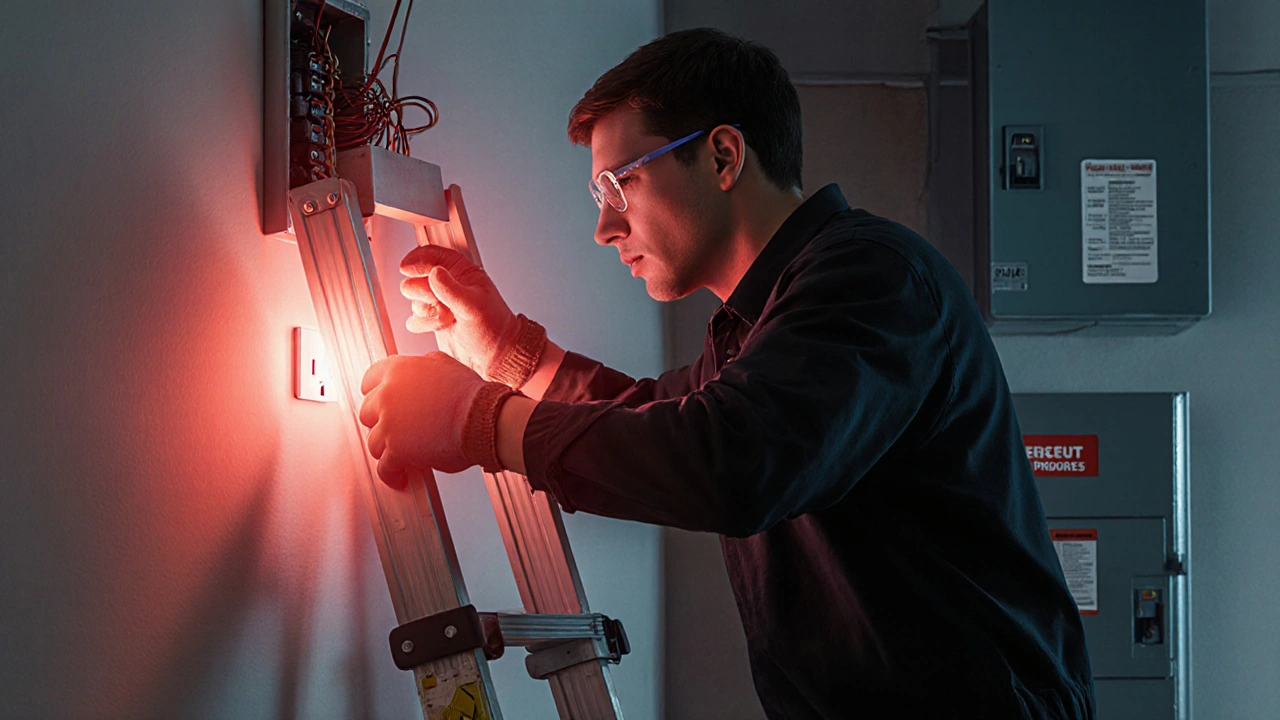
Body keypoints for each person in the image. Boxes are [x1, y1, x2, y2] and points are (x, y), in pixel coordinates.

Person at [358, 27, 1096, 719]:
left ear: (721, 157)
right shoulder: (762, 323)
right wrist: (511, 355)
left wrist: (473, 420)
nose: (604, 227)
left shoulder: (874, 280)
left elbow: (733, 461)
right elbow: (661, 416)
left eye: (619, 186)